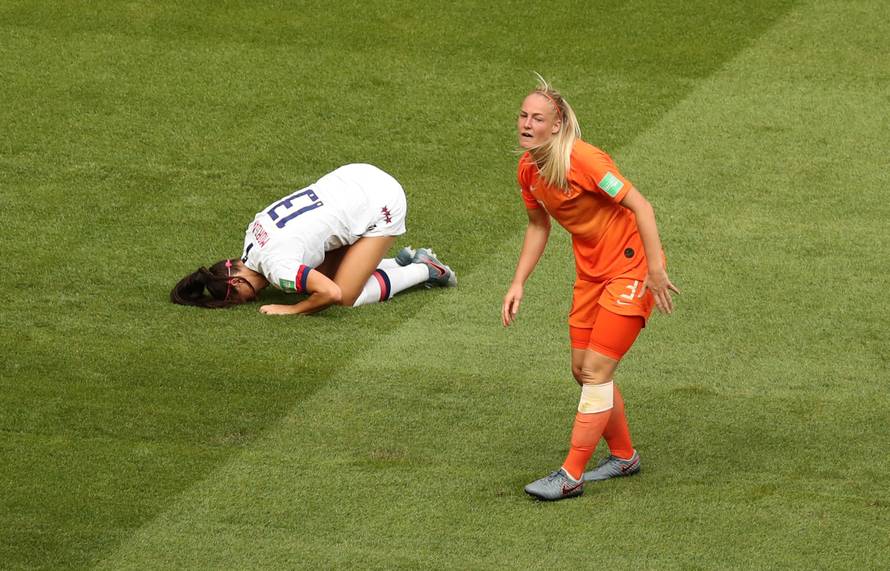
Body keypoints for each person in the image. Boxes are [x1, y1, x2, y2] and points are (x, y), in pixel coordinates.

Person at [502, 77, 679, 501]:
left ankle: (570, 475)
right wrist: (518, 281)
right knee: (582, 371)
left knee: (597, 372)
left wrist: (655, 270)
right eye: (523, 116)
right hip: (592, 275)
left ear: (557, 125)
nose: (527, 124)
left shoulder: (585, 160)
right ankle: (624, 456)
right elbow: (538, 225)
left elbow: (641, 206)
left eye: (537, 118)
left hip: (631, 270)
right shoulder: (528, 169)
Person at [171, 163, 456, 314]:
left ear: (235, 281)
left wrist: (291, 310)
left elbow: (331, 294)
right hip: (353, 176)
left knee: (345, 296)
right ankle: (397, 262)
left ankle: (425, 269)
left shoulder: (277, 268)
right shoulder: (252, 235)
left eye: (242, 298)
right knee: (316, 279)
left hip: (381, 202)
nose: (251, 299)